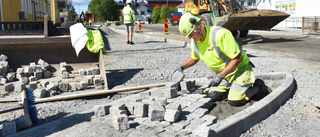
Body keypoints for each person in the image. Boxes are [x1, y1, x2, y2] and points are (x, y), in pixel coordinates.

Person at [172, 12, 266, 106]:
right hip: (225, 74)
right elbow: (195, 58)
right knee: (213, 96)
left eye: (191, 34)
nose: (190, 37)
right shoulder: (195, 42)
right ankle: (231, 89)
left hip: (240, 69)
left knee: (235, 101)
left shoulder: (219, 34)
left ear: (199, 26)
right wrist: (182, 67)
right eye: (188, 36)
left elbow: (238, 59)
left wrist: (220, 76)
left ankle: (258, 87)